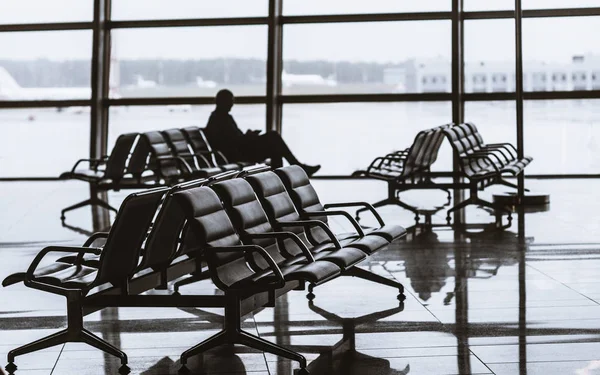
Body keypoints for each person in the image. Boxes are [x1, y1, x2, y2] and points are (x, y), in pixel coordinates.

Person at [204, 89, 321, 176]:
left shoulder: (219, 118)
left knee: (275, 147)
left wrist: (248, 136)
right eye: (230, 101)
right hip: (237, 154)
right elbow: (231, 141)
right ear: (223, 102)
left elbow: (232, 139)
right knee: (273, 138)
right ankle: (290, 171)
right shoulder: (221, 119)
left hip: (238, 150)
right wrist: (248, 136)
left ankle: (283, 176)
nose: (232, 104)